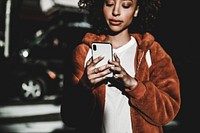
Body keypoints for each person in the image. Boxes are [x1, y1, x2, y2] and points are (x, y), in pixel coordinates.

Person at [60, 0, 181, 133]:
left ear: (136, 10)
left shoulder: (152, 52)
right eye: (109, 4)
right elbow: (70, 117)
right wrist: (84, 85)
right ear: (101, 6)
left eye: (125, 5)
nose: (115, 12)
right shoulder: (83, 53)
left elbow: (168, 111)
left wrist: (134, 85)